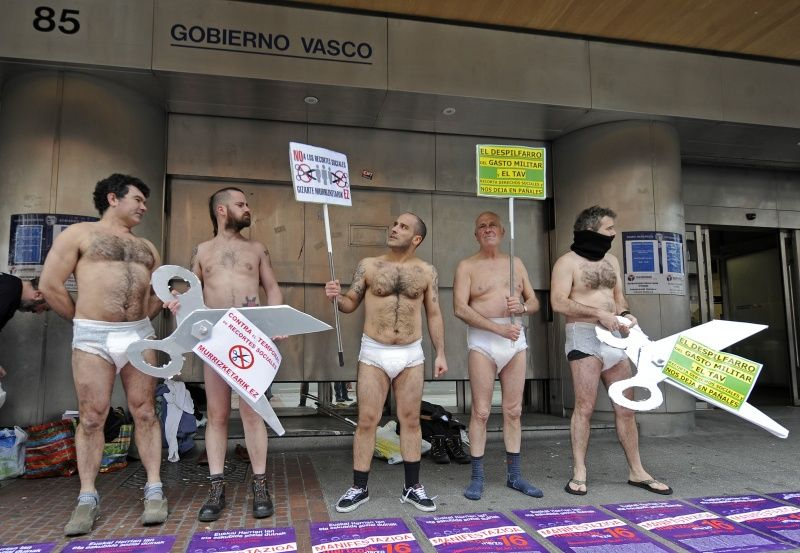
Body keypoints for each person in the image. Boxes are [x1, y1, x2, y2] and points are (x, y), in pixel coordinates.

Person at [39, 174, 168, 536]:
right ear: (113, 198)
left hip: (138, 334)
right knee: (92, 417)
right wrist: (82, 321)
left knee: (145, 411)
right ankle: (87, 497)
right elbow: (50, 284)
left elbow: (156, 293)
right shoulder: (79, 235)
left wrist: (150, 314)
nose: (144, 207)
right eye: (138, 199)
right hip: (93, 337)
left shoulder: (147, 247)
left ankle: (154, 489)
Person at [324, 212, 448, 513]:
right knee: (367, 420)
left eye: (403, 227)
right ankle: (359, 488)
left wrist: (441, 352)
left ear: (416, 238)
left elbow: (433, 313)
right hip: (374, 353)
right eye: (394, 224)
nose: (394, 229)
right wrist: (336, 297)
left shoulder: (426, 271)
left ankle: (412, 487)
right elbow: (350, 303)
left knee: (410, 420)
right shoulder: (369, 265)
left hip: (411, 354)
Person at [550, 205, 672, 496]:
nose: (613, 233)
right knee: (585, 407)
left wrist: (625, 313)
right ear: (590, 229)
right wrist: (598, 314)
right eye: (608, 228)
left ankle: (637, 470)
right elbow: (558, 302)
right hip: (584, 336)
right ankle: (579, 471)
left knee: (626, 408)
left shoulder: (612, 261)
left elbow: (618, 297)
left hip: (616, 336)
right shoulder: (566, 262)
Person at [178, 187, 283, 522]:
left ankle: (260, 485)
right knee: (218, 415)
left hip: (250, 337)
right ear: (221, 210)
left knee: (253, 413)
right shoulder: (201, 251)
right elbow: (189, 293)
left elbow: (272, 287)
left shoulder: (257, 248)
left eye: (247, 203)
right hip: (215, 340)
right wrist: (177, 304)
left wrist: (276, 319)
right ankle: (216, 487)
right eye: (241, 204)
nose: (247, 208)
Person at [453, 211, 543, 500]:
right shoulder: (467, 266)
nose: (488, 229)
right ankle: (477, 476)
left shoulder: (516, 263)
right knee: (481, 411)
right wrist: (497, 329)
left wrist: (523, 308)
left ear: (502, 232)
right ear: (476, 234)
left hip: (514, 338)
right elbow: (460, 308)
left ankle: (514, 475)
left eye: (493, 225)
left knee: (514, 410)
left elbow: (534, 301)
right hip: (484, 339)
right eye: (482, 226)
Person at [0, 273, 49, 381]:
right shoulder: (9, 295)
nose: (38, 312)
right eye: (44, 308)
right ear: (38, 294)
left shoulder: (11, 284)